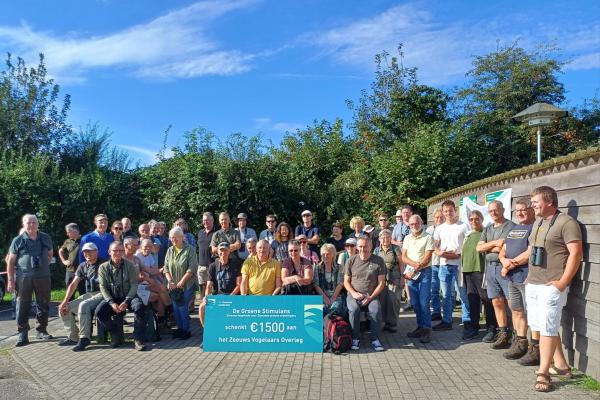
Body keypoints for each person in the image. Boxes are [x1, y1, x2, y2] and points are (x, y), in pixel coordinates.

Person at [526, 186, 582, 392]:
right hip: (533, 282)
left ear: (549, 201)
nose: (533, 206)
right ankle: (562, 366)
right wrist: (525, 275)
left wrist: (562, 282)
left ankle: (544, 373)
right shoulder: (538, 222)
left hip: (552, 285)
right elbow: (531, 250)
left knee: (548, 327)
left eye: (535, 202)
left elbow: (576, 254)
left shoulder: (567, 223)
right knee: (541, 326)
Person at [6, 214, 54, 346]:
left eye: (34, 222)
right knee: (22, 305)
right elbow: (10, 261)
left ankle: (41, 330)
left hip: (43, 277)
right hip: (23, 277)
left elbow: (50, 255)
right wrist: (10, 280)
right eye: (28, 223)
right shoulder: (18, 240)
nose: (31, 225)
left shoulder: (45, 237)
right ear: (24, 224)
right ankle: (22, 334)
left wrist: (42, 266)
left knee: (43, 304)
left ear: (38, 224)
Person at [499, 198, 537, 361]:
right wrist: (503, 261)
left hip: (526, 277)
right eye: (517, 210)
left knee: (532, 314)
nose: (520, 213)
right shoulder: (514, 229)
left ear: (531, 210)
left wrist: (509, 264)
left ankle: (536, 348)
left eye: (523, 209)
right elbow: (503, 250)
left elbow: (530, 252)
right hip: (512, 278)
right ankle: (520, 342)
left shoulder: (535, 228)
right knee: (517, 310)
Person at [476, 200, 515, 347]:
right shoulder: (488, 228)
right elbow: (479, 248)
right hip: (490, 268)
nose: (493, 213)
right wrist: (494, 243)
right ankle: (503, 333)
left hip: (504, 269)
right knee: (496, 302)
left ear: (503, 209)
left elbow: (505, 247)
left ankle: (516, 335)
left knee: (512, 303)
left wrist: (488, 246)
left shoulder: (510, 226)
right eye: (491, 211)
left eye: (496, 210)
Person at [96, 241, 147, 351]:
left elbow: (134, 285)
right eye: (115, 251)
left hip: (129, 295)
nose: (118, 253)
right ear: (109, 252)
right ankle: (115, 334)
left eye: (120, 251)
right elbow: (103, 287)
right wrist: (111, 303)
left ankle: (138, 339)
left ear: (123, 252)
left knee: (139, 307)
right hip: (113, 297)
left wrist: (127, 301)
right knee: (99, 311)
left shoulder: (130, 266)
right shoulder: (103, 267)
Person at [57, 242, 104, 351]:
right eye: (85, 252)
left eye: (90, 251)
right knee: (64, 308)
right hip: (89, 294)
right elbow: (73, 284)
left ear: (96, 252)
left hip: (102, 293)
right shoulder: (82, 265)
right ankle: (73, 337)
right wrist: (64, 301)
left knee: (83, 305)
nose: (87, 253)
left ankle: (84, 338)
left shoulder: (103, 264)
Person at [344, 235, 386, 352]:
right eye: (361, 246)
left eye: (365, 246)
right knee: (354, 310)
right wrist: (353, 293)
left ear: (371, 246)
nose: (363, 249)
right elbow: (346, 282)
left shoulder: (379, 261)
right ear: (357, 247)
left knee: (376, 310)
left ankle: (374, 339)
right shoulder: (351, 261)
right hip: (354, 294)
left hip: (371, 296)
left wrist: (371, 297)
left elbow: (381, 283)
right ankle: (355, 338)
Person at [433, 200, 469, 331]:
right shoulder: (439, 228)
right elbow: (435, 247)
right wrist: (441, 253)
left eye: (450, 210)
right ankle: (447, 320)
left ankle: (467, 320)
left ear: (455, 211)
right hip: (444, 265)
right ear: (443, 212)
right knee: (446, 295)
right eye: (446, 211)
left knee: (463, 293)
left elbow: (467, 246)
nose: (448, 213)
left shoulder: (464, 226)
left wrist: (456, 255)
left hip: (460, 265)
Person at [461, 210, 495, 341]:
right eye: (471, 219)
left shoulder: (486, 233)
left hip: (481, 272)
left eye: (477, 219)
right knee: (472, 300)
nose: (474, 221)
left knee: (486, 300)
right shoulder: (468, 236)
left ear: (481, 219)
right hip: (468, 272)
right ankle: (474, 328)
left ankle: (491, 328)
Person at [402, 215, 435, 343]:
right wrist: (413, 265)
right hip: (411, 272)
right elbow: (404, 257)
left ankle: (426, 329)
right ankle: (420, 327)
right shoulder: (407, 238)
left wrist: (416, 267)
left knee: (424, 303)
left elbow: (427, 257)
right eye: (411, 224)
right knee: (415, 303)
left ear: (421, 223)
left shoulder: (428, 237)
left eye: (416, 223)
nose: (414, 226)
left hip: (425, 272)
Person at [163, 227, 198, 340]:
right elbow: (166, 267)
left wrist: (182, 281)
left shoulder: (190, 249)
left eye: (175, 238)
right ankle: (180, 329)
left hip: (187, 284)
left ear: (182, 237)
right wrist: (170, 281)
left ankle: (186, 330)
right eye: (171, 238)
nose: (173, 240)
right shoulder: (170, 250)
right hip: (173, 285)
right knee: (175, 307)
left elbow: (192, 268)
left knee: (182, 306)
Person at [199, 242, 242, 327]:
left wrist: (231, 296)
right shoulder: (213, 266)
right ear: (217, 252)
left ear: (229, 251)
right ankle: (207, 330)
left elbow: (239, 285)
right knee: (202, 307)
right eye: (221, 251)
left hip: (232, 296)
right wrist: (207, 297)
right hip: (218, 296)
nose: (223, 253)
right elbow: (209, 285)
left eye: (225, 250)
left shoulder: (236, 264)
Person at [134, 238, 171, 324]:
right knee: (160, 293)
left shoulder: (149, 255)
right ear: (141, 247)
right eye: (146, 247)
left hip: (149, 283)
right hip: (140, 285)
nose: (148, 248)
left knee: (162, 290)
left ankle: (162, 318)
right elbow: (144, 274)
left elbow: (155, 271)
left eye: (150, 247)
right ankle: (169, 309)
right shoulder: (137, 257)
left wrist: (163, 282)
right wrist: (161, 270)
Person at [373, 229, 402, 333]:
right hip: (381, 279)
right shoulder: (376, 250)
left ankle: (392, 323)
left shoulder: (396, 248)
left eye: (387, 237)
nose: (385, 239)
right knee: (382, 301)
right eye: (383, 237)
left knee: (393, 301)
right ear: (380, 239)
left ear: (390, 239)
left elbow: (401, 264)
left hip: (394, 278)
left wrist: (402, 278)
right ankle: (385, 322)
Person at [313, 243, 346, 317]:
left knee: (336, 308)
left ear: (333, 255)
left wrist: (333, 298)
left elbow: (340, 283)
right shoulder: (317, 268)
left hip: (336, 296)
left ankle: (332, 327)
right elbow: (316, 284)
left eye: (328, 254)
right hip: (321, 296)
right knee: (320, 310)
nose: (325, 256)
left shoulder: (339, 267)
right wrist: (324, 298)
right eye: (323, 254)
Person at [425, 208, 444, 321]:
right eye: (437, 217)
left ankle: (448, 312)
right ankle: (436, 311)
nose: (439, 219)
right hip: (433, 263)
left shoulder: (447, 228)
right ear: (433, 218)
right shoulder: (429, 230)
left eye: (441, 217)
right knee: (434, 289)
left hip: (445, 262)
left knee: (447, 291)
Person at [58, 223, 81, 293]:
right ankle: (69, 304)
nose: (67, 234)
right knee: (69, 291)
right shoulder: (67, 241)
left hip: (82, 270)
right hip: (70, 270)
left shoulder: (84, 239)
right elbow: (60, 250)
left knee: (83, 292)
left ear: (75, 231)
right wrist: (63, 261)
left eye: (68, 232)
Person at [197, 212, 216, 298]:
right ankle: (203, 305)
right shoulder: (200, 232)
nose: (206, 222)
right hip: (201, 266)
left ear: (212, 221)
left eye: (208, 220)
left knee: (211, 288)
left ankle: (211, 309)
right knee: (202, 288)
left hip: (211, 265)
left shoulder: (216, 233)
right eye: (204, 220)